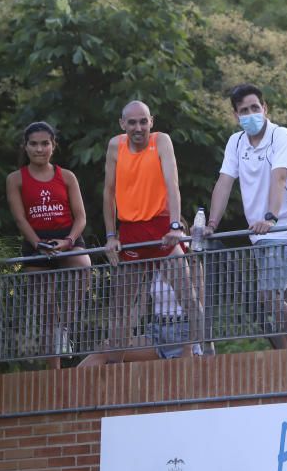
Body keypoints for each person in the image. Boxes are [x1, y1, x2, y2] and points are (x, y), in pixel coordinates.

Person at [80, 100, 205, 367]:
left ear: (152, 121)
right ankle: (114, 367)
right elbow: (109, 192)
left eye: (143, 121)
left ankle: (195, 354)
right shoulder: (116, 145)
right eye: (133, 122)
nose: (138, 127)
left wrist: (174, 225)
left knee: (189, 297)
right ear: (122, 124)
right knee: (120, 308)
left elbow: (173, 183)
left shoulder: (161, 141)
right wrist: (111, 235)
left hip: (161, 227)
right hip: (132, 230)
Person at [205, 84, 287, 350]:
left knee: (268, 295)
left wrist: (271, 217)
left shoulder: (280, 135)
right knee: (278, 299)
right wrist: (211, 224)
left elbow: (280, 176)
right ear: (235, 115)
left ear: (265, 108)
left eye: (255, 108)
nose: (250, 114)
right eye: (244, 110)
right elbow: (224, 182)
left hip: (285, 229)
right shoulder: (236, 142)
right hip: (260, 235)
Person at [5, 122, 92, 369]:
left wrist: (68, 242)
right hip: (36, 241)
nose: (39, 149)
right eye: (34, 143)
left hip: (66, 236)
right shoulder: (15, 179)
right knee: (45, 310)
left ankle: (64, 326)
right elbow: (20, 218)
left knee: (83, 264)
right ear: (26, 146)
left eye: (45, 143)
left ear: (53, 146)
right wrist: (37, 243)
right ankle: (53, 374)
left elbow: (81, 217)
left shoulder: (66, 176)